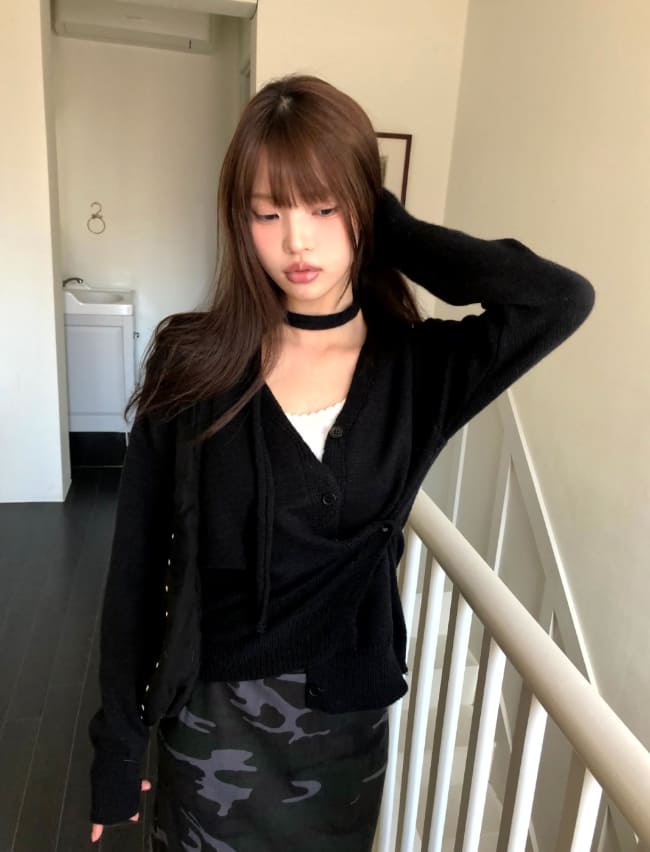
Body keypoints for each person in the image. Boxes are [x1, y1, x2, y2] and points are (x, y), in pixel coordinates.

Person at [88, 74, 594, 850]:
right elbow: (136, 565)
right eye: (269, 212)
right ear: (240, 221)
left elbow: (558, 299)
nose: (298, 241)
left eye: (323, 208)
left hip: (345, 730)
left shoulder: (418, 370)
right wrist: (119, 746)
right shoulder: (191, 361)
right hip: (211, 723)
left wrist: (391, 226)